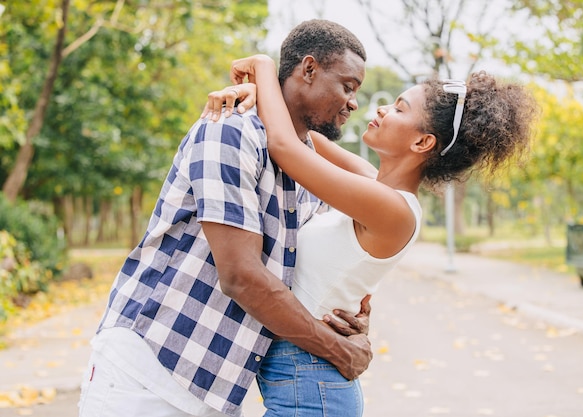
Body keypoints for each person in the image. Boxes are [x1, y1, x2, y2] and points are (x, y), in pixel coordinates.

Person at [203, 54, 539, 416]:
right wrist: (256, 92)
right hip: (305, 378)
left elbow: (284, 147)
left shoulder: (393, 210)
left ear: (422, 143)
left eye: (398, 108)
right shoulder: (372, 185)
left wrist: (264, 67)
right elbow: (301, 134)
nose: (380, 109)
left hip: (311, 384)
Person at [78, 20, 374, 417]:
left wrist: (346, 317)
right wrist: (336, 348)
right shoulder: (231, 129)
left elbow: (305, 268)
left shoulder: (303, 162)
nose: (354, 102)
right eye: (348, 86)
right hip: (149, 372)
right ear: (308, 70)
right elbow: (241, 276)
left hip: (217, 390)